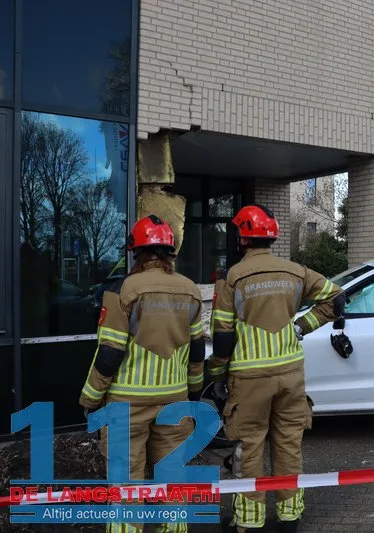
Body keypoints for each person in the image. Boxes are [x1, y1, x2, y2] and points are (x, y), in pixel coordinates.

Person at [207, 204, 345, 533]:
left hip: (249, 379)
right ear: (272, 236)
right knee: (287, 444)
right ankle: (289, 517)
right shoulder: (296, 271)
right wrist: (299, 327)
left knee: (249, 447)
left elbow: (223, 336)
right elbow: (336, 298)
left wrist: (218, 376)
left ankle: (249, 522)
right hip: (290, 375)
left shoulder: (232, 278)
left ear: (241, 238)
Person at [78, 214, 206, 532]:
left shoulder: (124, 289)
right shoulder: (190, 290)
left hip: (126, 405)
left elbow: (109, 353)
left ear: (136, 252)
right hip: (175, 401)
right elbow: (197, 350)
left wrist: (90, 398)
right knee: (171, 479)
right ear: (169, 252)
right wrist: (193, 391)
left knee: (126, 483)